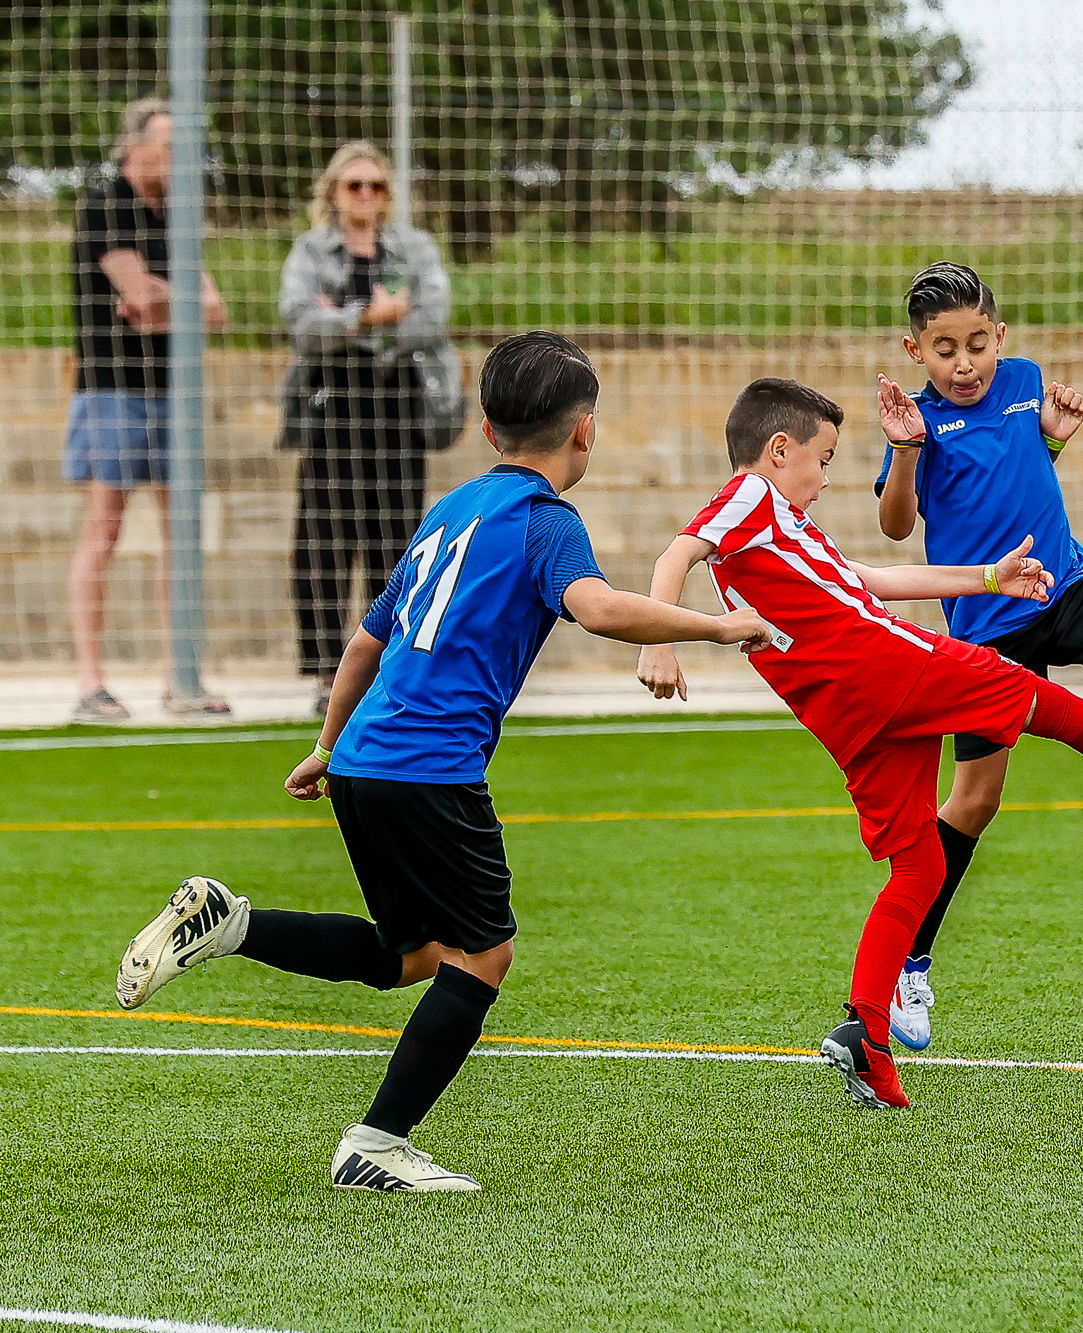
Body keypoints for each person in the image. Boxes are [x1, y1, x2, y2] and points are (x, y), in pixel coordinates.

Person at [113, 333, 773, 1192]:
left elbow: (364, 643)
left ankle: (229, 924)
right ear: (586, 430)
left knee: (413, 953)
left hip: (364, 759)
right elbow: (600, 608)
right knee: (485, 954)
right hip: (432, 768)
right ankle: (377, 1142)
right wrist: (717, 625)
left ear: (489, 429)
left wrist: (326, 747)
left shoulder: (450, 509)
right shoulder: (545, 521)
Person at [637, 378, 1083, 1111]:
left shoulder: (785, 532)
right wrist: (661, 637)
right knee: (1041, 702)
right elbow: (678, 551)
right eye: (824, 459)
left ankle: (866, 1034)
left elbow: (873, 578)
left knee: (919, 865)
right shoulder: (751, 497)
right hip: (888, 667)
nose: (826, 477)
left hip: (849, 719)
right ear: (779, 450)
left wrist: (987, 578)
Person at [870, 261, 1083, 1053]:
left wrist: (1051, 438)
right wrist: (906, 451)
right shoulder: (919, 420)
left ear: (1001, 337)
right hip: (987, 627)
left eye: (976, 344)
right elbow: (895, 526)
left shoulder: (1024, 380)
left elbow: (1017, 478)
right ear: (915, 351)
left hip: (1059, 586)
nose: (964, 363)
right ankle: (908, 963)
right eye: (944, 349)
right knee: (974, 801)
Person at [66, 96, 231, 721]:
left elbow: (214, 312)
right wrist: (174, 299)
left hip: (174, 394)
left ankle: (179, 678)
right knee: (103, 529)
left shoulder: (178, 217)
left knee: (179, 535)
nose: (180, 159)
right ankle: (91, 683)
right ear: (135, 147)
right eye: (169, 147)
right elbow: (139, 294)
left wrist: (165, 302)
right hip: (112, 390)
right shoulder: (106, 206)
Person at [279, 141, 458, 717]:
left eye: (375, 186)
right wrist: (371, 314)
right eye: (353, 185)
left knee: (397, 544)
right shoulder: (310, 250)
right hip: (332, 410)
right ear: (333, 192)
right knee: (323, 546)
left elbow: (433, 318)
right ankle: (326, 673)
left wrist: (345, 322)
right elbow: (299, 323)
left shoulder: (414, 248)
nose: (364, 195)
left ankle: (387, 668)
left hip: (398, 410)